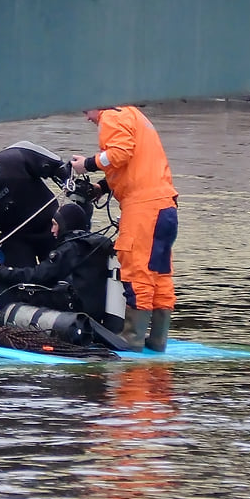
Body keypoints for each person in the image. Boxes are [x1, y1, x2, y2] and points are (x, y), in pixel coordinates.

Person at [70, 106, 178, 352]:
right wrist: (101, 187)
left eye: (86, 110)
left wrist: (87, 164)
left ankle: (132, 338)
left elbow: (118, 154)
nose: (87, 117)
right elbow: (133, 163)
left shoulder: (111, 116)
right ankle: (158, 339)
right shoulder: (133, 114)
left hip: (143, 208)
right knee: (159, 274)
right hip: (166, 205)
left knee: (137, 270)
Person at [0, 141, 71, 314]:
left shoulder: (13, 162)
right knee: (21, 288)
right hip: (16, 239)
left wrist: (65, 178)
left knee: (61, 279)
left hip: (50, 228)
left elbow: (55, 165)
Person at [0, 201, 113, 323]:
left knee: (0, 289)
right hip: (93, 311)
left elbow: (39, 276)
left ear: (65, 225)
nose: (52, 230)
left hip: (73, 307)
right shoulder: (96, 244)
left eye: (55, 224)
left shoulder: (70, 248)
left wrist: (2, 273)